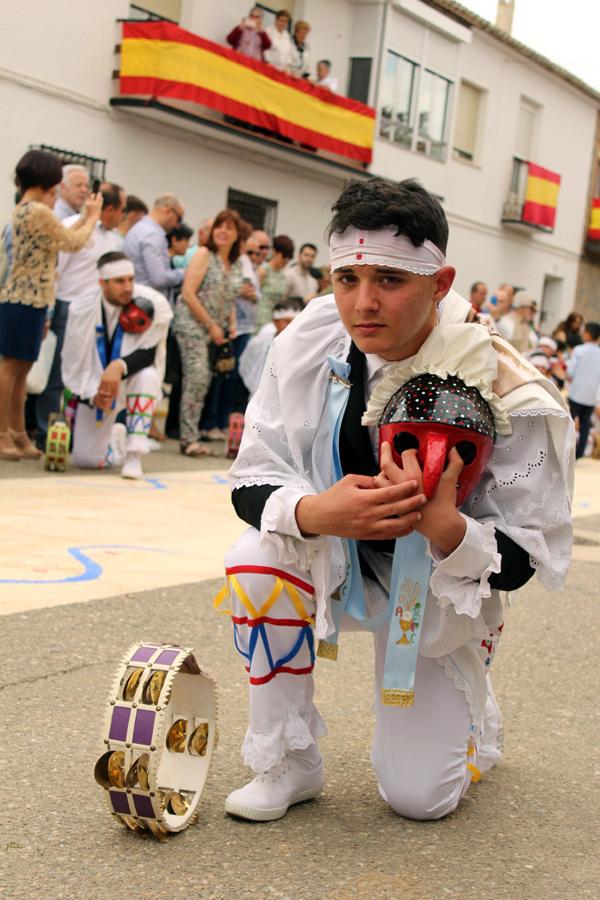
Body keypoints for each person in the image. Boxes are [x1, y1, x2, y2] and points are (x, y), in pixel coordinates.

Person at [218, 176, 573, 824]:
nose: (363, 303)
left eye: (390, 279)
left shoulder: (506, 387)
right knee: (255, 558)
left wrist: (447, 528)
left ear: (441, 283)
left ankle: (474, 709)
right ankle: (287, 758)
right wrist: (316, 512)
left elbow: (526, 556)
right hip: (338, 561)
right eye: (347, 278)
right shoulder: (309, 340)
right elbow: (253, 475)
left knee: (417, 800)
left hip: (439, 590)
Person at [0, 150, 101, 461]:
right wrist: (93, 217)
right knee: (10, 366)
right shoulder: (38, 211)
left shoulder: (26, 209)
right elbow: (72, 242)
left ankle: (17, 432)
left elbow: (64, 235)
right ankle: (3, 432)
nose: (57, 189)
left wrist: (85, 215)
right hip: (23, 297)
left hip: (31, 298)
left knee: (22, 367)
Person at [61, 252, 172, 478]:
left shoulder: (152, 303)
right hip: (98, 387)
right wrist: (92, 395)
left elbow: (149, 353)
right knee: (86, 460)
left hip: (130, 377)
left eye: (130, 279)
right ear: (102, 283)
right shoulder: (81, 309)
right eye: (120, 281)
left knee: (148, 377)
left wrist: (118, 366)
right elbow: (73, 363)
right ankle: (114, 443)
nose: (128, 287)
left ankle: (134, 455)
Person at [33, 182, 126, 451]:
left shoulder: (113, 238)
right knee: (58, 374)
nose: (122, 215)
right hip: (67, 307)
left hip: (98, 314)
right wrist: (50, 312)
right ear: (109, 208)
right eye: (120, 209)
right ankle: (45, 432)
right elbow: (56, 268)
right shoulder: (75, 224)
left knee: (89, 373)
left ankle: (77, 434)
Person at [173, 210, 244, 456]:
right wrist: (211, 325)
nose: (223, 232)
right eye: (219, 227)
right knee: (198, 376)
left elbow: (230, 297)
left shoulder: (236, 264)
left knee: (207, 380)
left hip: (217, 327)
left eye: (229, 228)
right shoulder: (205, 254)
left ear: (237, 235)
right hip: (192, 323)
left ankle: (192, 432)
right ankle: (188, 438)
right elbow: (188, 293)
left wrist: (230, 322)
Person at [239, 297, 304, 398]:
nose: (292, 325)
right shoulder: (258, 343)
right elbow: (246, 368)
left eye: (295, 321)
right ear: (275, 321)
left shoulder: (303, 347)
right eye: (287, 321)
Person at [124, 193, 185, 299]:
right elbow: (159, 278)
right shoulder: (152, 235)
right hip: (150, 302)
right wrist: (182, 273)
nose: (177, 225)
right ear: (168, 210)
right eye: (178, 219)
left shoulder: (140, 228)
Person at [567, 321, 600, 459]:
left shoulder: (579, 350)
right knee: (585, 423)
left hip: (576, 392)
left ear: (586, 333)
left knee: (570, 421)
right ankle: (579, 453)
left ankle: (566, 449)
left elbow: (570, 372)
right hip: (591, 394)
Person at [256, 234, 294, 329]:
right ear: (275, 252)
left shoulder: (282, 275)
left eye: (288, 259)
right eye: (283, 257)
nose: (285, 261)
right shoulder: (263, 271)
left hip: (276, 320)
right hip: (260, 319)